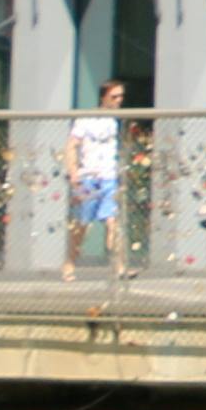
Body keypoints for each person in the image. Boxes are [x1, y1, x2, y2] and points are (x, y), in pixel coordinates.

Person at [64, 81, 130, 282]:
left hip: (108, 176)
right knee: (83, 225)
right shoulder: (86, 119)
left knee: (113, 222)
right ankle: (69, 264)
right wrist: (74, 172)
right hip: (89, 177)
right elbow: (71, 145)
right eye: (114, 97)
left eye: (120, 97)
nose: (118, 101)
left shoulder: (115, 120)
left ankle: (119, 267)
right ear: (104, 97)